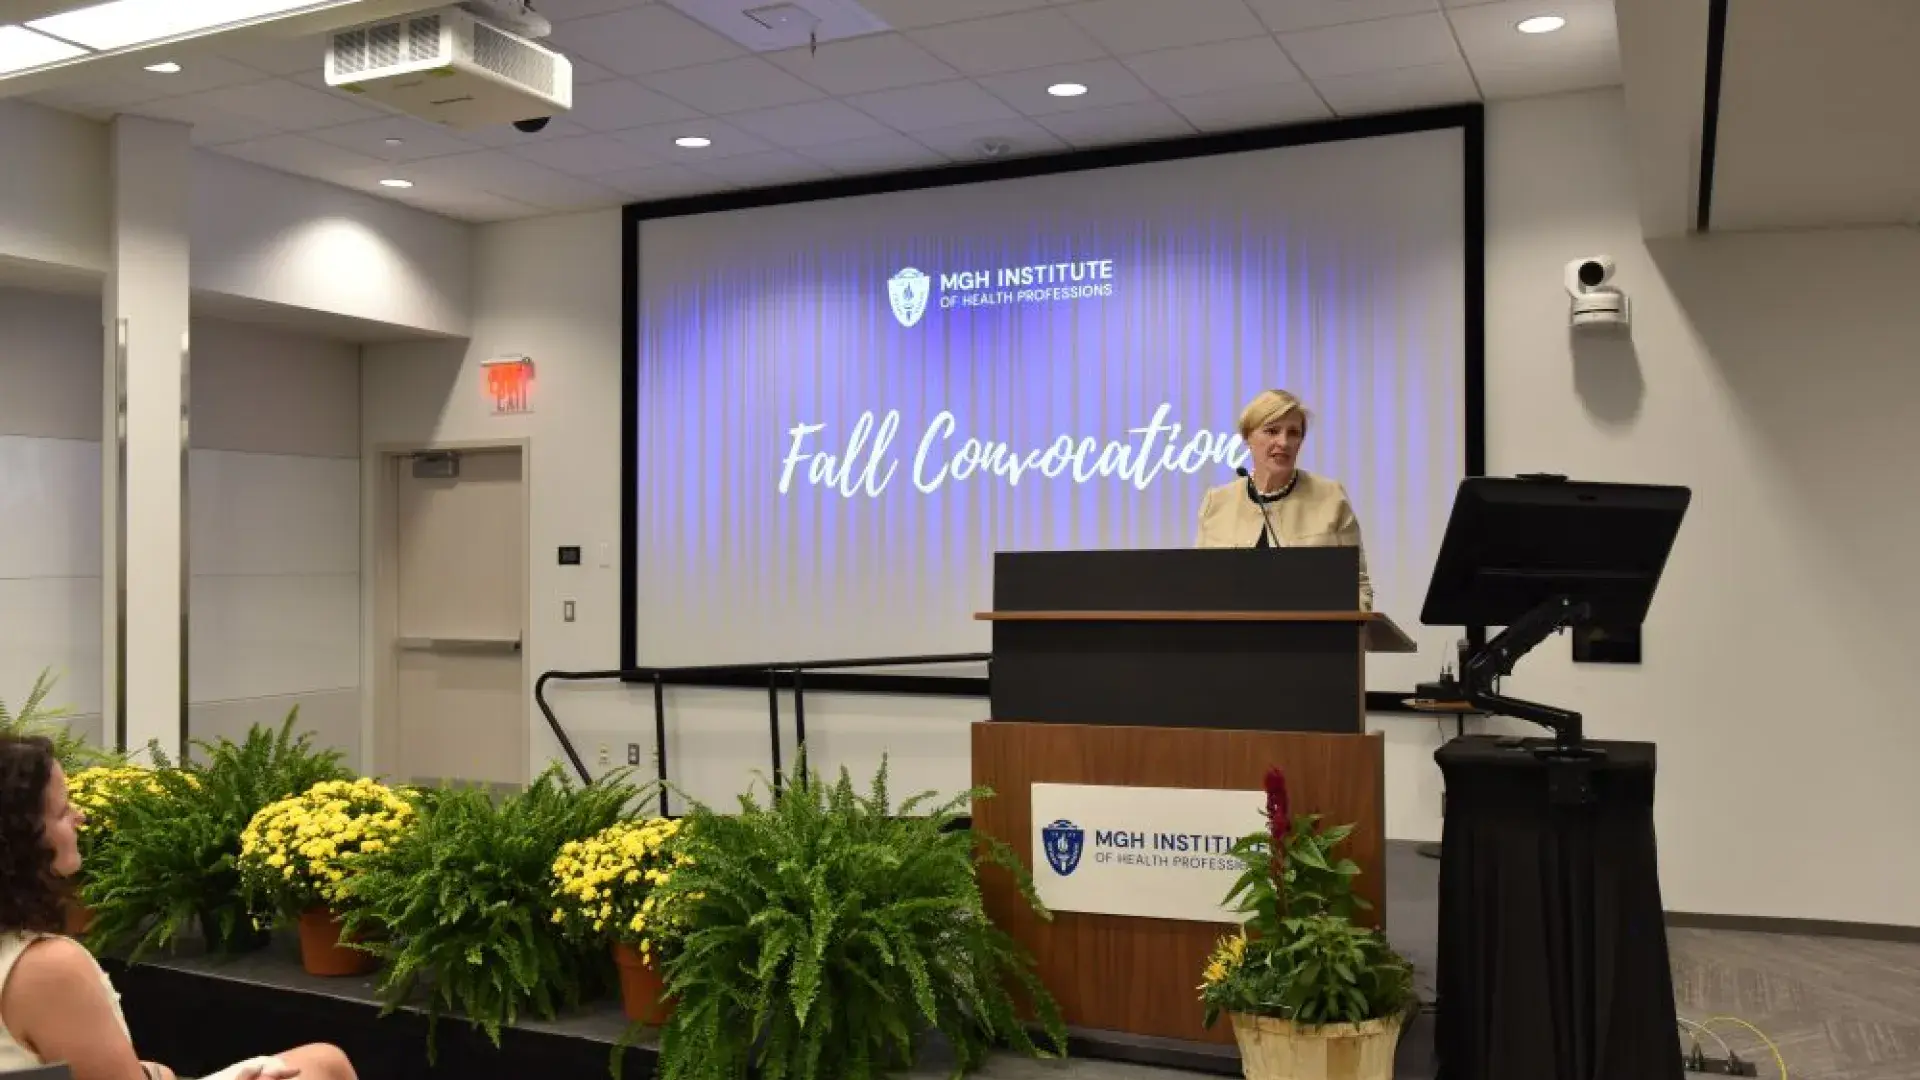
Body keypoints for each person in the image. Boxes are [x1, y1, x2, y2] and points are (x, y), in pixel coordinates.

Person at [0, 734, 358, 1080]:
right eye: (63, 812)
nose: (81, 817)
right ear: (22, 841)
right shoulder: (47, 968)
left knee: (321, 1061)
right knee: (324, 1066)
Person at [1194, 388, 1375, 611]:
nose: (1284, 442)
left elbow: (1358, 588)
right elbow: (1200, 588)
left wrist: (1342, 631)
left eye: (1293, 433)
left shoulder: (1331, 498)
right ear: (1248, 437)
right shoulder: (1217, 502)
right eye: (1272, 431)